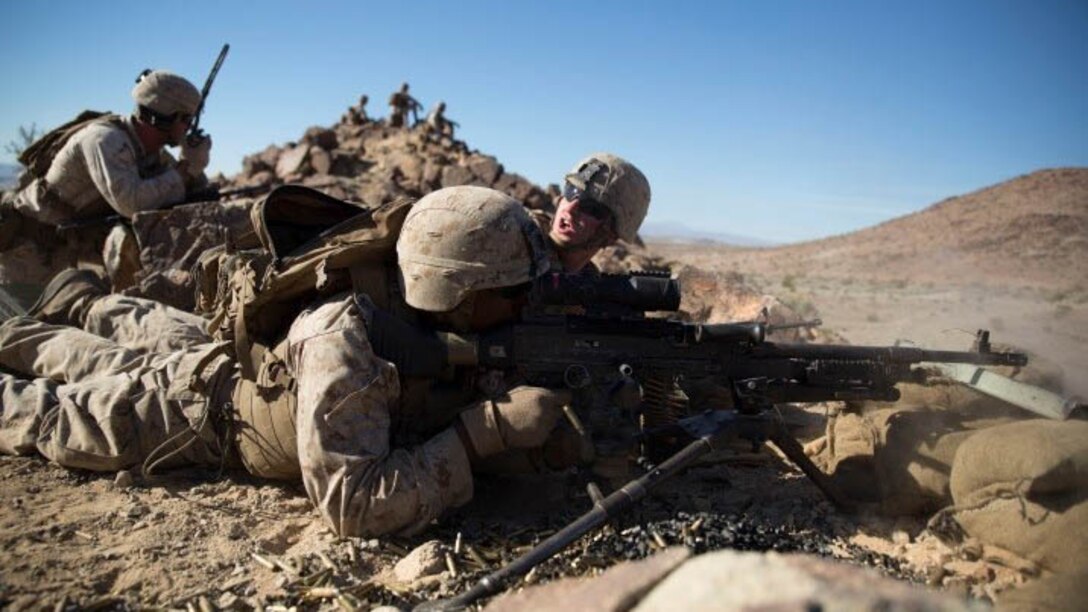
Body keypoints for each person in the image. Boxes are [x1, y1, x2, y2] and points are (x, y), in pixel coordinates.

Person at [0, 185, 570, 537]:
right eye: (516, 292)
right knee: (55, 413)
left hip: (238, 366)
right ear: (456, 293)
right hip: (199, 413)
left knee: (110, 357)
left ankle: (63, 311)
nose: (527, 303)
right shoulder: (344, 338)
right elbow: (353, 505)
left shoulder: (436, 312)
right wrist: (481, 434)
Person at [0, 69, 213, 292]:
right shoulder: (105, 140)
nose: (189, 128)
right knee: (31, 313)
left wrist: (193, 166)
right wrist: (186, 170)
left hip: (65, 248)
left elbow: (192, 194)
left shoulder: (151, 152)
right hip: (27, 251)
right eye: (187, 119)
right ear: (168, 118)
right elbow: (132, 204)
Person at [539, 153, 651, 273]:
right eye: (571, 192)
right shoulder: (526, 243)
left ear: (611, 235)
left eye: (589, 207)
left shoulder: (587, 278)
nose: (570, 209)